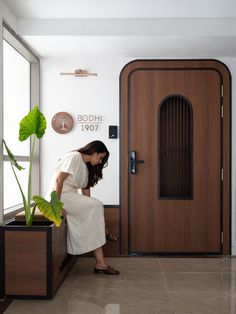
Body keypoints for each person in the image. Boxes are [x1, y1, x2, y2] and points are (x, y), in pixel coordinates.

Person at [47, 140, 119, 275]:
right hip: (59, 196)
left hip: (71, 197)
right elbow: (58, 180)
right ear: (94, 152)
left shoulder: (87, 167)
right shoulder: (74, 157)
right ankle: (102, 238)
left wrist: (91, 211)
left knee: (95, 207)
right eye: (100, 157)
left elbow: (86, 194)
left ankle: (100, 262)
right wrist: (56, 206)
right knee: (95, 205)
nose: (99, 162)